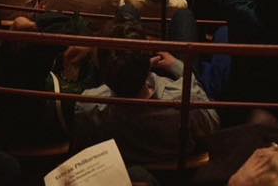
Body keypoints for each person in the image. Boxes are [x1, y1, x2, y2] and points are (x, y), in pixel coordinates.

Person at [74, 21, 219, 167]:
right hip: (179, 171)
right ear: (148, 64)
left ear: (101, 70)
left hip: (126, 165)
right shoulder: (186, 100)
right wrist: (177, 66)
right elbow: (213, 123)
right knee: (184, 17)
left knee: (128, 11)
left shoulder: (88, 106)